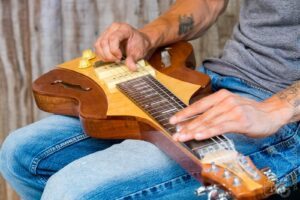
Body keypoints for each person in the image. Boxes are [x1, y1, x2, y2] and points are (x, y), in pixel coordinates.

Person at [0, 0, 299, 199]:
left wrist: (276, 109)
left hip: (281, 114)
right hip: (211, 82)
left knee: (71, 191)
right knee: (22, 154)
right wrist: (148, 36)